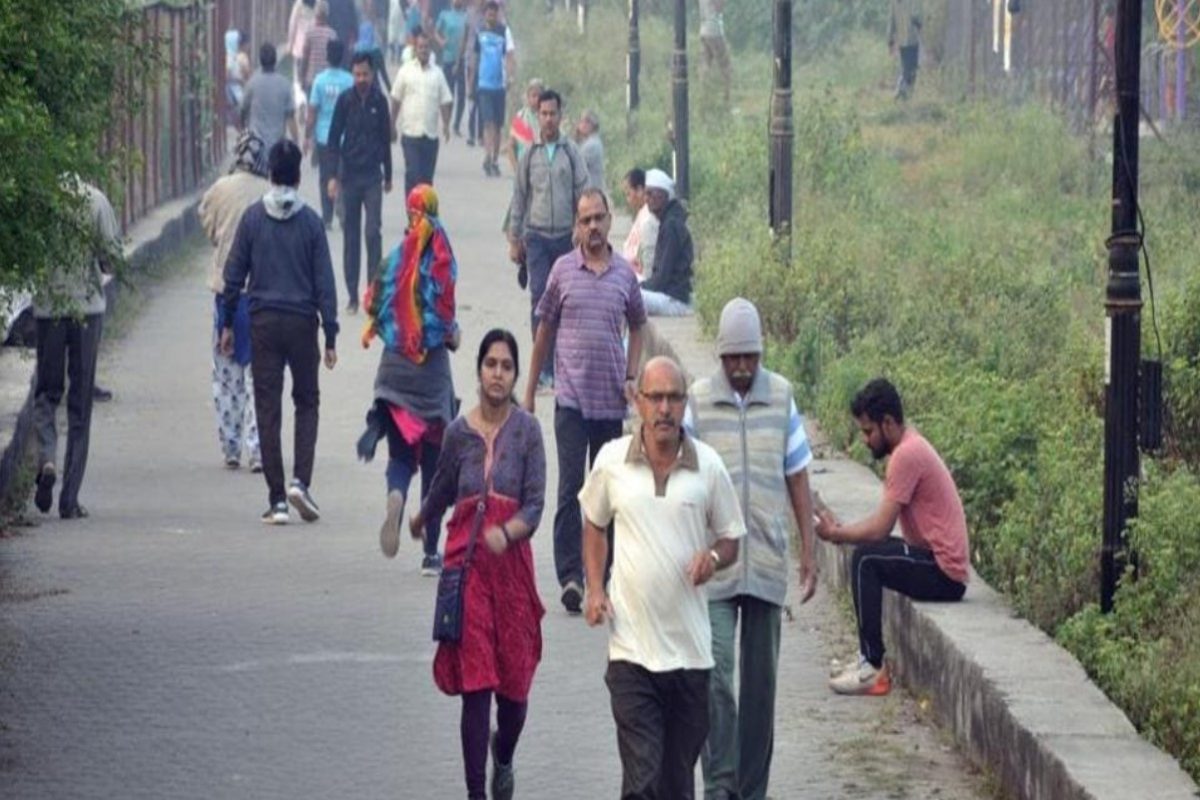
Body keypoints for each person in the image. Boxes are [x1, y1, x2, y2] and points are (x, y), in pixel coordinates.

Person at [579, 356, 746, 800]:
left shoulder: (707, 467)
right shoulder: (612, 461)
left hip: (690, 659)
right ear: (638, 403)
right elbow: (594, 522)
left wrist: (712, 557)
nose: (665, 409)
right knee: (642, 781)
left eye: (674, 398)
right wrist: (595, 588)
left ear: (685, 403)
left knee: (674, 784)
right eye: (656, 398)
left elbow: (732, 538)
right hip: (631, 653)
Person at [685, 298, 818, 800]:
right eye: (732, 357)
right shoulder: (698, 402)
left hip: (764, 559)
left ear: (761, 354)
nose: (741, 367)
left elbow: (798, 477)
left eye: (750, 357)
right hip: (716, 565)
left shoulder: (781, 398)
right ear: (719, 355)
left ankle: (751, 790)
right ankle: (719, 783)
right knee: (716, 676)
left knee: (760, 689)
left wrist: (807, 552)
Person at [409, 328, 546, 800]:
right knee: (477, 685)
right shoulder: (457, 434)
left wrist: (507, 533)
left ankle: (502, 756)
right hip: (466, 570)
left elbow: (535, 505)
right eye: (491, 364)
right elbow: (444, 486)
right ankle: (475, 794)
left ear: (514, 375)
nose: (498, 374)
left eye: (507, 366)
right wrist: (423, 517)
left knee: (514, 693)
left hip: (512, 575)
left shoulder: (529, 432)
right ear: (479, 369)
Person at [523, 189, 645, 614]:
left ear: (610, 221)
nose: (593, 227)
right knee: (570, 490)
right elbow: (543, 332)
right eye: (585, 220)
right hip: (570, 401)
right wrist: (529, 391)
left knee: (607, 493)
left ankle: (603, 576)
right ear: (576, 227)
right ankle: (571, 577)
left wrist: (632, 376)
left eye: (599, 218)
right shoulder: (561, 271)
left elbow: (639, 325)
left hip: (610, 402)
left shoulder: (624, 276)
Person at [814, 378, 970, 695]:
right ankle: (866, 659)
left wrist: (836, 534)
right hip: (934, 561)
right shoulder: (910, 446)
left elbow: (880, 529)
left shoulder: (905, 455)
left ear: (888, 422)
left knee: (865, 559)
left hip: (944, 572)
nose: (865, 440)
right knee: (871, 553)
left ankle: (872, 667)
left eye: (869, 431)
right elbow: (881, 526)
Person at [221, 141, 339, 525]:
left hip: (263, 324)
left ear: (269, 174)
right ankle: (300, 482)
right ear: (299, 176)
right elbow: (325, 282)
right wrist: (332, 334)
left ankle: (277, 501)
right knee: (307, 402)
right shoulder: (311, 222)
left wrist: (226, 323)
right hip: (303, 324)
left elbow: (233, 275)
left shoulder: (254, 218)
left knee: (267, 408)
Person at [363, 184, 459, 574]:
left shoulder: (397, 257)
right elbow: (445, 317)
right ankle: (431, 553)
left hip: (394, 373)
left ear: (409, 213)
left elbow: (373, 301)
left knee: (401, 455)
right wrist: (448, 334)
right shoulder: (441, 255)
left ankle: (396, 495)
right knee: (435, 464)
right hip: (432, 376)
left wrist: (395, 329)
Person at [31, 178, 121, 520]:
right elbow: (112, 259)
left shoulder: (42, 200)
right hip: (87, 311)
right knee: (80, 404)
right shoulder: (96, 200)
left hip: (49, 311)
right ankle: (69, 500)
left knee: (47, 394)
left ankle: (47, 458)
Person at [508, 89, 588, 390]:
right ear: (537, 115)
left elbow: (584, 192)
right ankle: (542, 369)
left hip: (566, 239)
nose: (548, 119)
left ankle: (560, 366)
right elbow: (519, 198)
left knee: (566, 303)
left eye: (553, 113)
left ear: (560, 116)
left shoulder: (571, 153)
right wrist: (515, 239)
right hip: (537, 238)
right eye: (543, 113)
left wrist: (584, 229)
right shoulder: (530, 153)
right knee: (540, 298)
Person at [199, 132, 269, 473]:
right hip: (261, 293)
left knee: (227, 374)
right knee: (260, 374)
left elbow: (208, 227)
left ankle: (230, 446)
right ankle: (258, 450)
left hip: (226, 292)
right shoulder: (269, 194)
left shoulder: (220, 189)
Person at [327, 51, 393, 313]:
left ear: (372, 73)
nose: (361, 79)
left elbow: (385, 140)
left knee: (373, 232)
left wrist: (388, 175)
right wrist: (332, 176)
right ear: (352, 74)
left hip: (372, 177)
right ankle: (353, 295)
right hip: (350, 176)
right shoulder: (345, 101)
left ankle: (373, 293)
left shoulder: (380, 101)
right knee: (351, 236)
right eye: (357, 74)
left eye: (365, 74)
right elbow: (333, 140)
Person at [390, 30, 453, 195]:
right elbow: (396, 99)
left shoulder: (437, 73)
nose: (423, 50)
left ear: (430, 50)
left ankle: (423, 217)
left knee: (426, 180)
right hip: (411, 134)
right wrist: (391, 124)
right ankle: (413, 214)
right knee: (414, 174)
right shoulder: (405, 71)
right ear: (415, 49)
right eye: (420, 47)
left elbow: (446, 100)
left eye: (426, 47)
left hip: (430, 136)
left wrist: (446, 125)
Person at [305, 39, 354, 228]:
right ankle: (343, 211)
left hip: (324, 138)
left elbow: (312, 112)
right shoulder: (349, 81)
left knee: (326, 176)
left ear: (327, 56)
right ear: (342, 57)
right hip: (345, 137)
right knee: (343, 175)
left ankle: (327, 216)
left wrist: (307, 136)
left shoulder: (319, 81)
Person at [467, 1, 515, 177]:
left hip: (499, 86)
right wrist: (471, 81)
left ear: (497, 14)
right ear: (485, 14)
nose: (491, 15)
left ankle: (494, 158)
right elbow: (475, 57)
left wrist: (510, 77)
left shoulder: (504, 32)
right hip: (484, 85)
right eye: (488, 12)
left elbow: (510, 55)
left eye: (494, 13)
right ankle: (488, 156)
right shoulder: (480, 32)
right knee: (487, 123)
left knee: (497, 124)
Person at [641, 168, 694, 316]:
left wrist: (638, 287)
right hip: (669, 294)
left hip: (673, 299)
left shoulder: (671, 226)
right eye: (646, 194)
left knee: (625, 295)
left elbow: (661, 279)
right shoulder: (670, 220)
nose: (647, 199)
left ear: (663, 195)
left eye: (651, 193)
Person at [241, 43, 300, 152]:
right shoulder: (285, 84)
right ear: (275, 60)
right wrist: (296, 141)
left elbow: (243, 111)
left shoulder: (252, 83)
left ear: (260, 61)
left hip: (256, 145)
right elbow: (290, 117)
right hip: (277, 146)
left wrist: (243, 132)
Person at [434, 0, 469, 137]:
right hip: (448, 58)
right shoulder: (444, 15)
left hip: (460, 59)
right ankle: (446, 123)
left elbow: (465, 39)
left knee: (461, 94)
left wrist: (459, 59)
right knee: (448, 94)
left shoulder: (465, 16)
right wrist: (441, 41)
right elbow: (436, 32)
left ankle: (457, 125)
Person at [621, 168, 658, 279]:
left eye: (628, 194)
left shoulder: (648, 218)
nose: (627, 200)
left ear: (640, 190)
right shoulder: (643, 213)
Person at [300, 2, 339, 93]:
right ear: (327, 15)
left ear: (315, 13)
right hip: (328, 80)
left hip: (312, 79)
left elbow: (305, 58)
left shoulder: (309, 33)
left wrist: (302, 77)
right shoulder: (332, 34)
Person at [503, 78, 542, 173]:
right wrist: (517, 170)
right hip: (524, 166)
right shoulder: (521, 117)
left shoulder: (547, 118)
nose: (537, 99)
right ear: (528, 98)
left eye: (539, 96)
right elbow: (510, 146)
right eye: (534, 96)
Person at [698, 0, 731, 108]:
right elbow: (719, 7)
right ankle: (726, 100)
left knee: (705, 66)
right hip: (714, 30)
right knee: (725, 67)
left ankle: (703, 98)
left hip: (704, 30)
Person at [888, 0, 922, 100]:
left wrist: (890, 41)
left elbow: (891, 22)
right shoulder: (897, 3)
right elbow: (892, 22)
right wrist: (890, 41)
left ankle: (906, 94)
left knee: (910, 69)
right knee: (908, 69)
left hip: (909, 40)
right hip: (907, 41)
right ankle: (901, 92)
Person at [225, 29, 251, 127]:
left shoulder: (234, 56)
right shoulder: (230, 58)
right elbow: (226, 76)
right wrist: (240, 80)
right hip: (230, 91)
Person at [575, 109, 605, 193]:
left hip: (591, 191)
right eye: (582, 121)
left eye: (587, 122)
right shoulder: (587, 142)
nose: (583, 125)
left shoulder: (592, 145)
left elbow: (576, 166)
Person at [328, 0, 359, 67]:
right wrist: (355, 34)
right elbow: (354, 17)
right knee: (344, 56)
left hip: (332, 30)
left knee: (332, 55)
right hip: (344, 31)